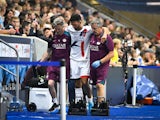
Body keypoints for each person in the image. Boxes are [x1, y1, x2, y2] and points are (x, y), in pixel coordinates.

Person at [66, 13, 109, 111]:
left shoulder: (88, 29)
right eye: (72, 24)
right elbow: (61, 31)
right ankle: (72, 104)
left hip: (84, 60)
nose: (74, 26)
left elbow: (104, 28)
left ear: (80, 22)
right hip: (73, 59)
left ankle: (89, 99)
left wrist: (105, 34)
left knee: (84, 82)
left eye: (75, 24)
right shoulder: (69, 29)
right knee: (71, 82)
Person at [40, 17, 71, 111]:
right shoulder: (53, 37)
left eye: (58, 28)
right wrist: (41, 61)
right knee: (50, 83)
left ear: (63, 26)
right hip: (53, 64)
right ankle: (55, 102)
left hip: (64, 65)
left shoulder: (68, 36)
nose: (57, 30)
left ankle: (63, 106)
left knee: (63, 85)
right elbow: (49, 51)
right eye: (55, 28)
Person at [90, 18, 114, 103]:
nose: (93, 30)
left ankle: (100, 105)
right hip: (91, 65)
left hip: (102, 65)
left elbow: (112, 53)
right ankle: (91, 103)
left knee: (99, 85)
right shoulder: (91, 36)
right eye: (92, 28)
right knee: (90, 85)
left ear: (100, 28)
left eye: (95, 28)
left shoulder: (107, 38)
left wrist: (100, 61)